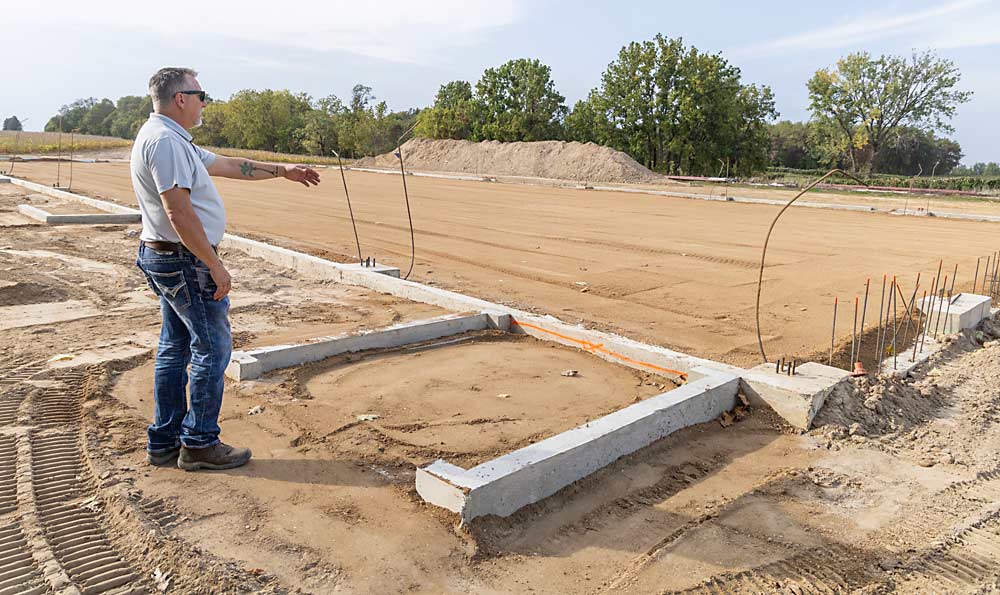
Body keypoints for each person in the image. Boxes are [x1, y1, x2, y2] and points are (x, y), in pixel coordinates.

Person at [131, 67, 320, 471]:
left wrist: (284, 170)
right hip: (184, 259)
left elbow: (230, 165)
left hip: (168, 256)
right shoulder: (165, 141)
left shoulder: (172, 139)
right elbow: (177, 210)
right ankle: (198, 443)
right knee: (212, 349)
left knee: (175, 347)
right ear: (180, 98)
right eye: (201, 95)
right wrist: (212, 263)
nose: (204, 102)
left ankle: (165, 440)